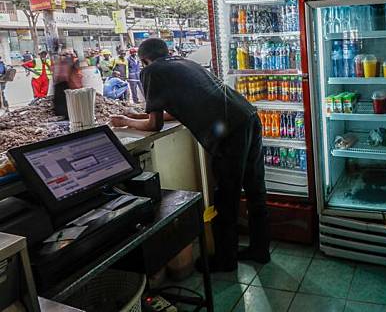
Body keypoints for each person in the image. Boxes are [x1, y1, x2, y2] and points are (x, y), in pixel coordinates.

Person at [109, 38, 269, 272]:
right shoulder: (184, 63)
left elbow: (154, 124)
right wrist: (136, 116)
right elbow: (176, 113)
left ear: (143, 60)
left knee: (226, 197)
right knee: (255, 189)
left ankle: (225, 260)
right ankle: (260, 249)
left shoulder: (151, 71)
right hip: (247, 116)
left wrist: (125, 120)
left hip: (229, 131)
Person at [52, 48, 83, 117]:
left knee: (68, 101)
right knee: (62, 100)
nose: (63, 57)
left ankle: (69, 114)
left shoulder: (73, 60)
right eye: (63, 55)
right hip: (62, 83)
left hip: (69, 83)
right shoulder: (61, 61)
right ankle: (64, 114)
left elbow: (75, 69)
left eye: (65, 55)